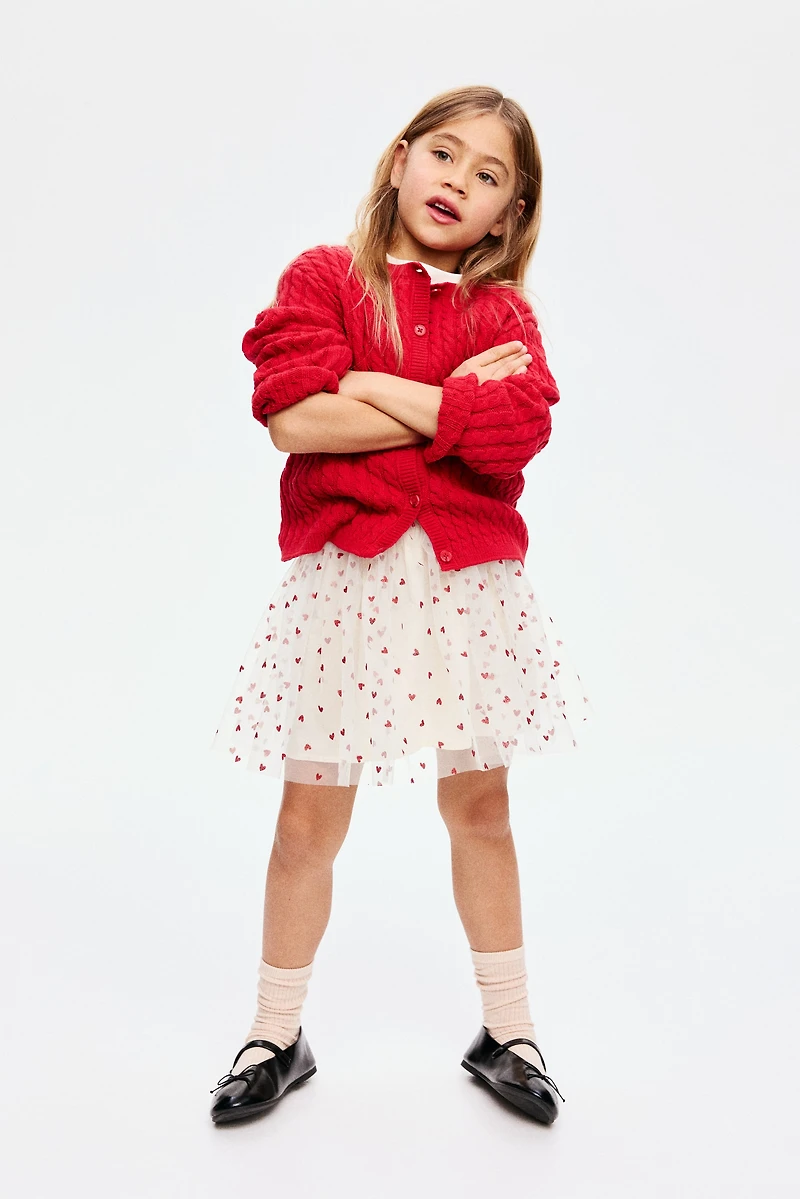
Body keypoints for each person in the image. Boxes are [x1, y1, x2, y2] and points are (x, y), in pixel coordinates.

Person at [208, 85, 595, 1126]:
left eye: (487, 176)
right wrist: (451, 405)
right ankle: (274, 1032)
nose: (456, 182)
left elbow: (513, 435)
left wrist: (369, 386)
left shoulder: (504, 317)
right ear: (399, 158)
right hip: (346, 581)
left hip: (468, 593)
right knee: (308, 818)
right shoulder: (326, 277)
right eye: (443, 154)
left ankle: (509, 1029)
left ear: (508, 214)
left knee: (480, 808)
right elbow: (294, 417)